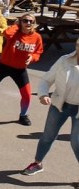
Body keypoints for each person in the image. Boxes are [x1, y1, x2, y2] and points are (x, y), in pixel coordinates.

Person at [21, 39, 79, 176]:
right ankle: (37, 163)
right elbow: (46, 80)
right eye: (78, 45)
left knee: (76, 142)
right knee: (48, 136)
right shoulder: (64, 60)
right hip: (59, 104)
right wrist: (43, 94)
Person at [0, 13, 44, 125]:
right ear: (20, 22)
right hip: (3, 66)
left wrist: (32, 58)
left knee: (27, 94)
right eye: (25, 21)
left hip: (20, 70)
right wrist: (16, 25)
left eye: (31, 21)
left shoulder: (37, 37)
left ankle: (23, 115)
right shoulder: (14, 33)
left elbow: (38, 52)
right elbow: (6, 33)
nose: (28, 23)